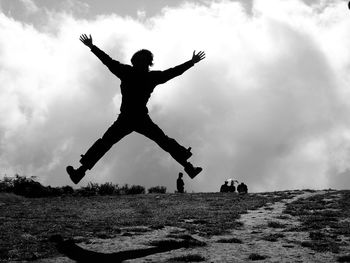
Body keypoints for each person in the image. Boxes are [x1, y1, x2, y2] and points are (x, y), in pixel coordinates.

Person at [66, 34, 205, 184]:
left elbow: (172, 72)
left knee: (105, 143)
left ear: (144, 63)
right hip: (135, 118)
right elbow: (172, 72)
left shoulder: (131, 73)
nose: (139, 64)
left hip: (131, 118)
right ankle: (189, 167)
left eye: (141, 61)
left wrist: (92, 47)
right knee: (162, 141)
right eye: (138, 61)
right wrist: (92, 47)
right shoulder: (144, 75)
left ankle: (80, 172)